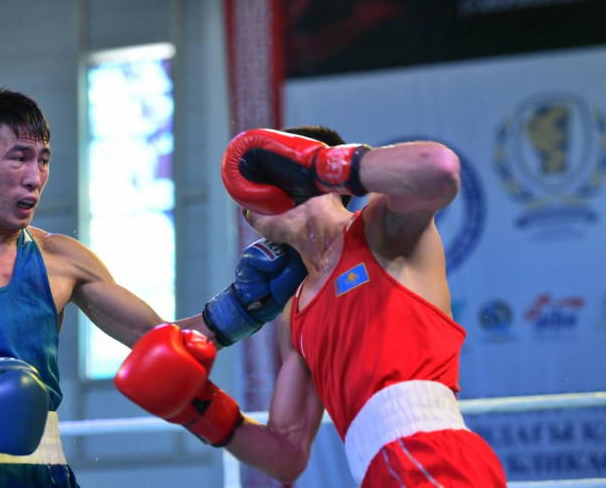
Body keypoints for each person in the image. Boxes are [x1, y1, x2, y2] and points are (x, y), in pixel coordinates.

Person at [0, 89, 307, 487]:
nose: (35, 177)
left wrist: (243, 307)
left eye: (43, 160)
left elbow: (164, 344)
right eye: (18, 158)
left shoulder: (62, 259)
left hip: (42, 475)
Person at [115, 126, 508, 486]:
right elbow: (287, 455)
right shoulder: (295, 314)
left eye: (260, 175)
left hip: (431, 457)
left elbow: (439, 169)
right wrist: (200, 410)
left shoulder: (380, 230)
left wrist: (319, 166)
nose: (246, 200)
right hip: (381, 472)